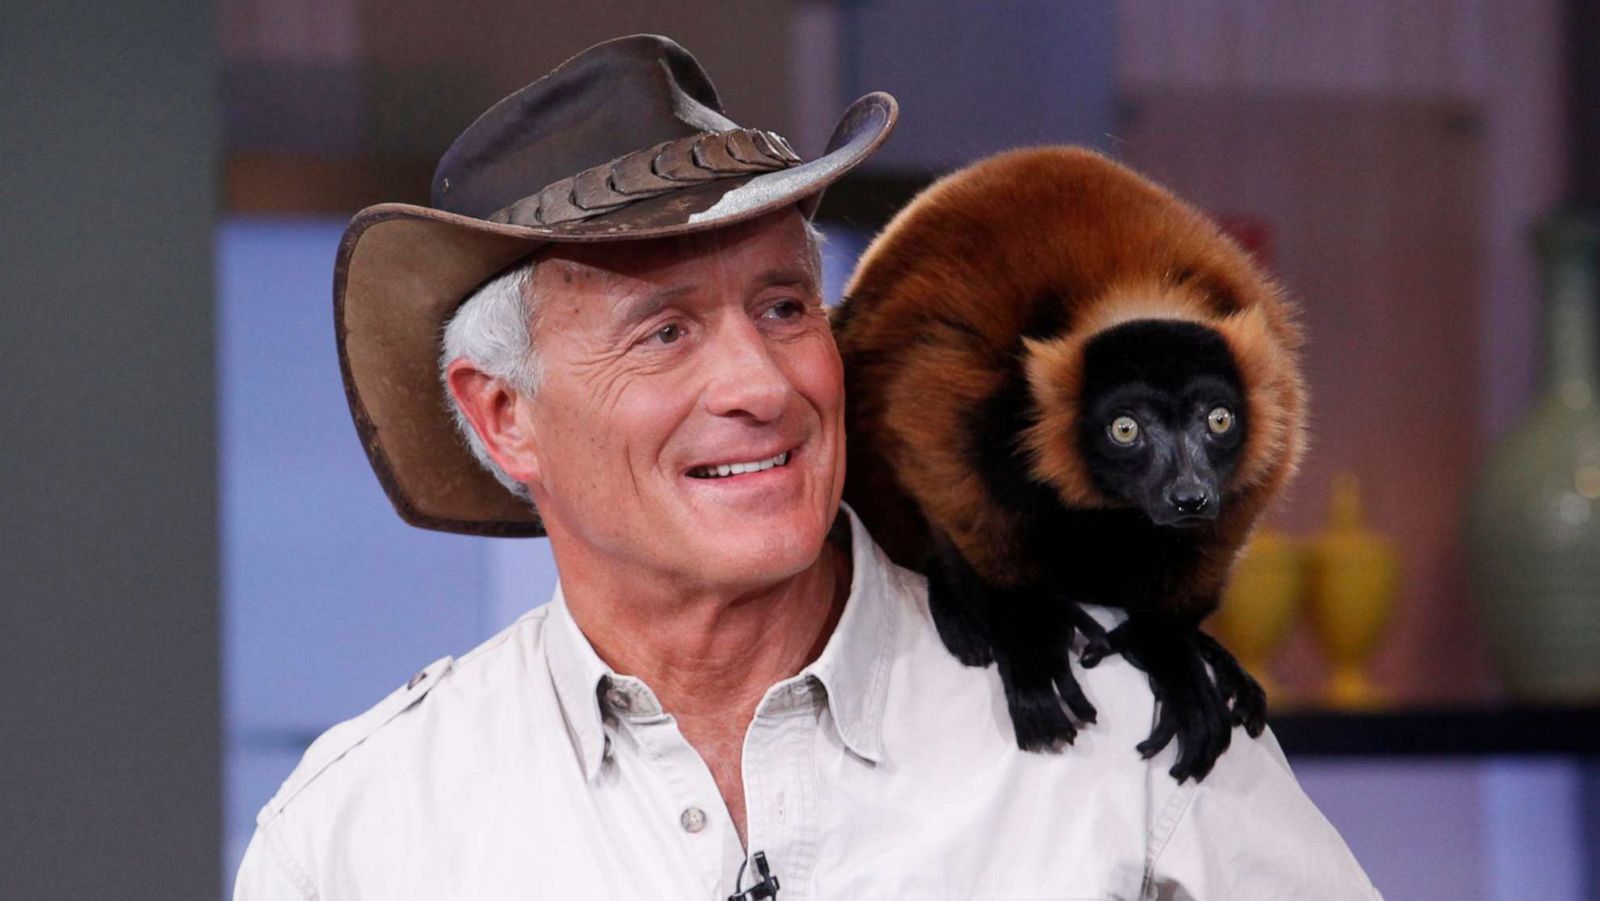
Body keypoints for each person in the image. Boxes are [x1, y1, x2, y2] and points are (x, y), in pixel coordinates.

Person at [233, 34, 1381, 900]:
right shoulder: (361, 833)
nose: (763, 383)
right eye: (665, 331)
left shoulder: (1132, 745)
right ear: (502, 419)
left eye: (785, 305)